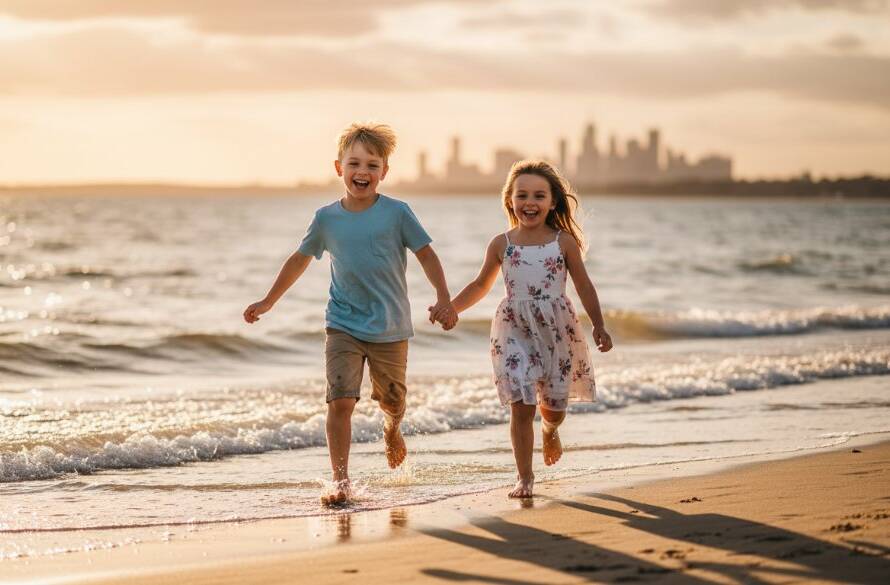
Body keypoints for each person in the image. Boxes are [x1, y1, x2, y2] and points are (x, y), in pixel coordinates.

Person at [244, 122, 456, 506]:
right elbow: (299, 259)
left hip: (390, 326)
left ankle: (392, 429)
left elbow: (426, 254)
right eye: (355, 163)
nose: (363, 172)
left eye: (373, 165)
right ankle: (340, 482)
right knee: (341, 400)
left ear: (385, 172)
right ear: (338, 167)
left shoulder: (397, 213)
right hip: (342, 323)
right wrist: (269, 301)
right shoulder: (326, 218)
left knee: (392, 400)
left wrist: (444, 298)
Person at [430, 159, 612, 499]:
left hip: (557, 329)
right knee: (521, 402)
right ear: (509, 200)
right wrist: (451, 307)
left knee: (554, 408)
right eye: (522, 195)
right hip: (513, 328)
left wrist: (599, 325)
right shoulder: (502, 243)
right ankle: (525, 478)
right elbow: (480, 284)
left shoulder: (564, 242)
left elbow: (585, 286)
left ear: (553, 201)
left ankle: (550, 429)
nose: (530, 202)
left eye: (539, 195)